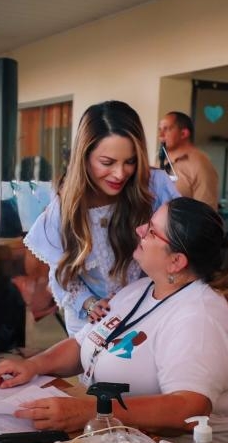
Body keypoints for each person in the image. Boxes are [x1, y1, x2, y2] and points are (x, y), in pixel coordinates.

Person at [0, 197, 228, 443]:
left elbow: (189, 410)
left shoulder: (199, 317)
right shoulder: (141, 289)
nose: (139, 230)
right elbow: (84, 343)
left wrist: (92, 412)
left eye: (152, 230)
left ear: (176, 261)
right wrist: (34, 365)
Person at [24, 100, 180, 336]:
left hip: (148, 309)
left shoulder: (155, 186)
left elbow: (181, 245)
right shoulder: (65, 207)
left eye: (130, 161)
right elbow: (62, 272)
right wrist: (87, 303)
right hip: (90, 319)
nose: (120, 174)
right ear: (84, 157)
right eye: (107, 163)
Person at [158, 111, 219, 209]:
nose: (160, 135)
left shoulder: (201, 164)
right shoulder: (161, 159)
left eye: (166, 129)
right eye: (160, 129)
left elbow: (206, 213)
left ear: (183, 133)